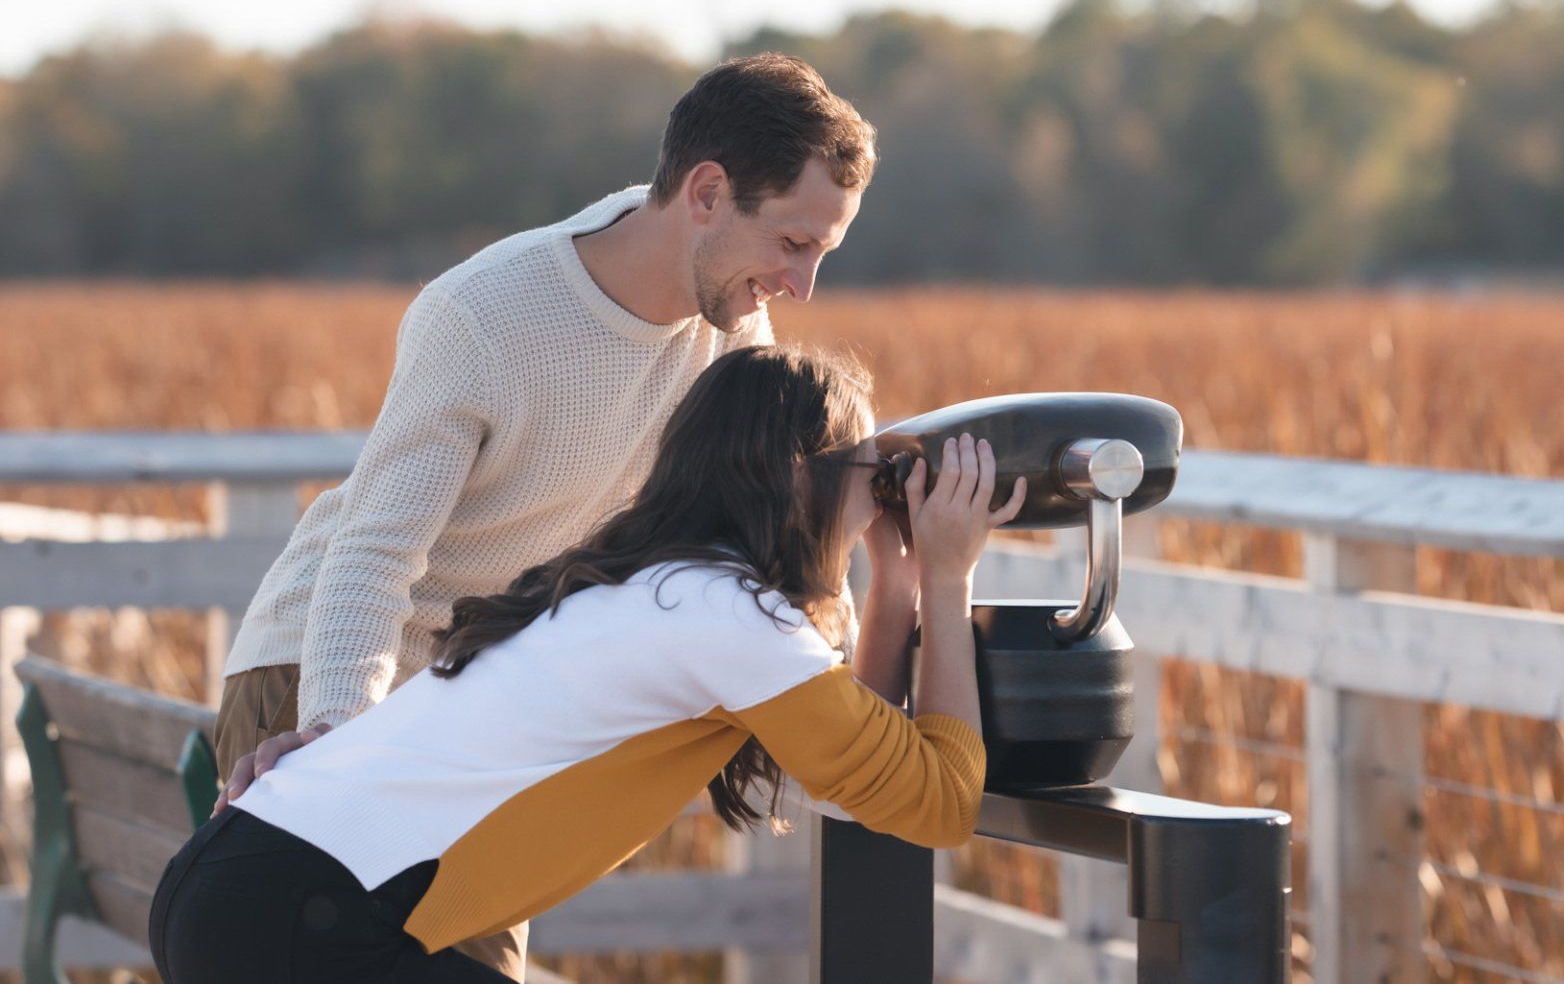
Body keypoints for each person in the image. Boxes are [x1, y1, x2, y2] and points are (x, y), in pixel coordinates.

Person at [210, 54, 876, 978]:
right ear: (709, 192)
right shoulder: (484, 315)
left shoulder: (731, 340)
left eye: (821, 254)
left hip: (476, 704)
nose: (802, 286)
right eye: (794, 245)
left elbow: (748, 551)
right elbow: (369, 556)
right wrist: (335, 735)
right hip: (328, 671)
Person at [151, 344, 1024, 983]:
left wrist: (900, 583)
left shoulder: (648, 583)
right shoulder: (728, 618)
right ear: (802, 478)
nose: (875, 509)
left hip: (243, 883)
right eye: (871, 480)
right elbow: (941, 803)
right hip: (307, 921)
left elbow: (850, 778)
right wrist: (951, 578)